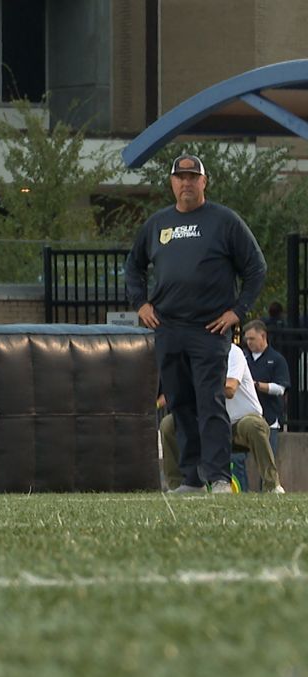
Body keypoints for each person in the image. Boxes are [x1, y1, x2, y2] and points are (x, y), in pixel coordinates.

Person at [125, 153, 266, 494]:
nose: (186, 183)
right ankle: (191, 478)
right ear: (172, 183)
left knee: (210, 401)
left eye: (192, 177)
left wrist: (238, 311)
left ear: (204, 182)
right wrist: (141, 304)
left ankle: (218, 477)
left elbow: (256, 268)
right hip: (169, 327)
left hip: (210, 328)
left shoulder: (224, 221)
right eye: (180, 177)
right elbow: (133, 267)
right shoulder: (157, 224)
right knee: (179, 402)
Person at [160, 342, 283, 494]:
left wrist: (201, 384)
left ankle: (272, 485)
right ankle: (179, 485)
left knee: (253, 425)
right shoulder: (190, 355)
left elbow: (230, 389)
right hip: (209, 425)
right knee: (169, 424)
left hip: (239, 423)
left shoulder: (232, 352)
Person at [237, 320, 290, 491]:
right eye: (247, 340)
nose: (249, 343)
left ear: (263, 336)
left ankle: (268, 489)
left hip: (269, 418)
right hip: (243, 417)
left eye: (252, 338)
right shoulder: (242, 358)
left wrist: (257, 385)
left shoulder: (276, 359)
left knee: (266, 459)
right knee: (237, 459)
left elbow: (281, 388)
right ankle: (242, 492)